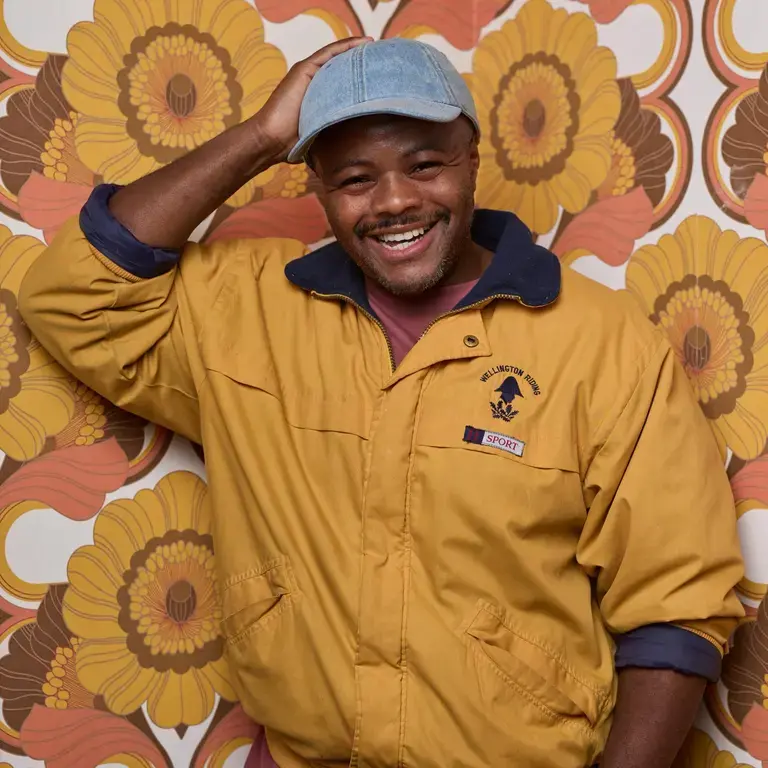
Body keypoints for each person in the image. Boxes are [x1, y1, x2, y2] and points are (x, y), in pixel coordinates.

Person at [19, 37, 744, 768]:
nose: (395, 201)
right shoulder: (245, 307)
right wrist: (260, 139)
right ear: (318, 189)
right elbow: (73, 296)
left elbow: (675, 605)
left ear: (471, 159)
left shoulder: (602, 343)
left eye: (425, 164)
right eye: (355, 178)